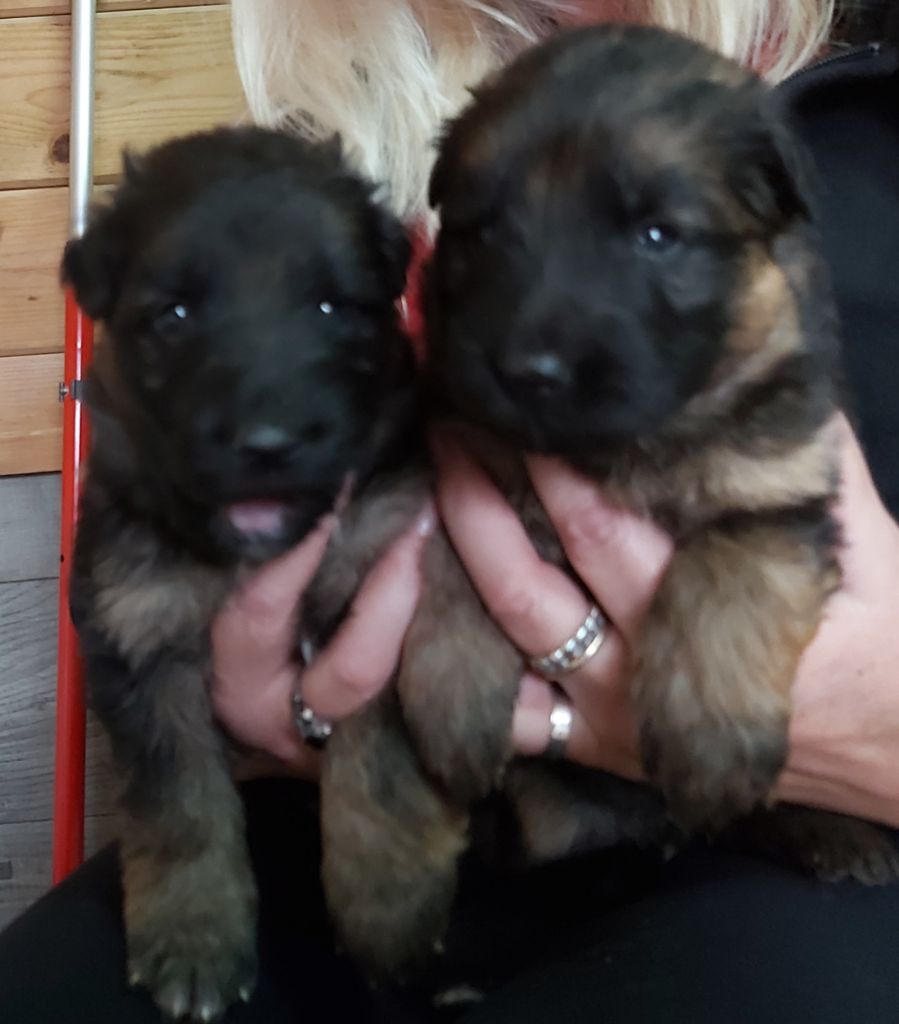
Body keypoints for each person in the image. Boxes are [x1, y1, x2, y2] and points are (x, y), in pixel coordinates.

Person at [2, 2, 898, 1022]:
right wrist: (297, 709)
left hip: (798, 844)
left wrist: (874, 730)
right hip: (432, 810)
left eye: (656, 230)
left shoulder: (848, 98)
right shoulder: (333, 139)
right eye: (488, 230)